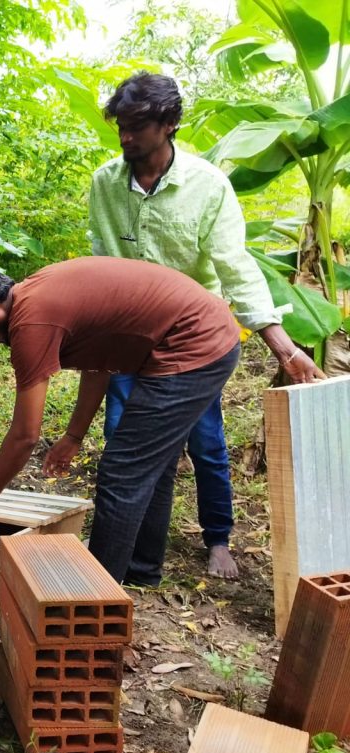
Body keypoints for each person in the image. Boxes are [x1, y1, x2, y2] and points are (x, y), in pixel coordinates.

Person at [88, 72, 324, 579]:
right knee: (123, 441)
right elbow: (102, 258)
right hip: (129, 337)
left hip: (192, 342)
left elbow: (235, 266)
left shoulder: (207, 185)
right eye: (120, 126)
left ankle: (218, 538)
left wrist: (282, 346)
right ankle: (135, 557)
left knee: (206, 441)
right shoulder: (105, 182)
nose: (125, 137)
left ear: (169, 124)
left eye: (136, 127)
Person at [0, 259, 245, 587]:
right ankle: (140, 569)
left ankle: (97, 593)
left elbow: (25, 435)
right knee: (150, 465)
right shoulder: (37, 294)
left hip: (194, 341)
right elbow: (99, 365)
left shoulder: (31, 322)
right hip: (202, 330)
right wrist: (74, 436)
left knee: (122, 471)